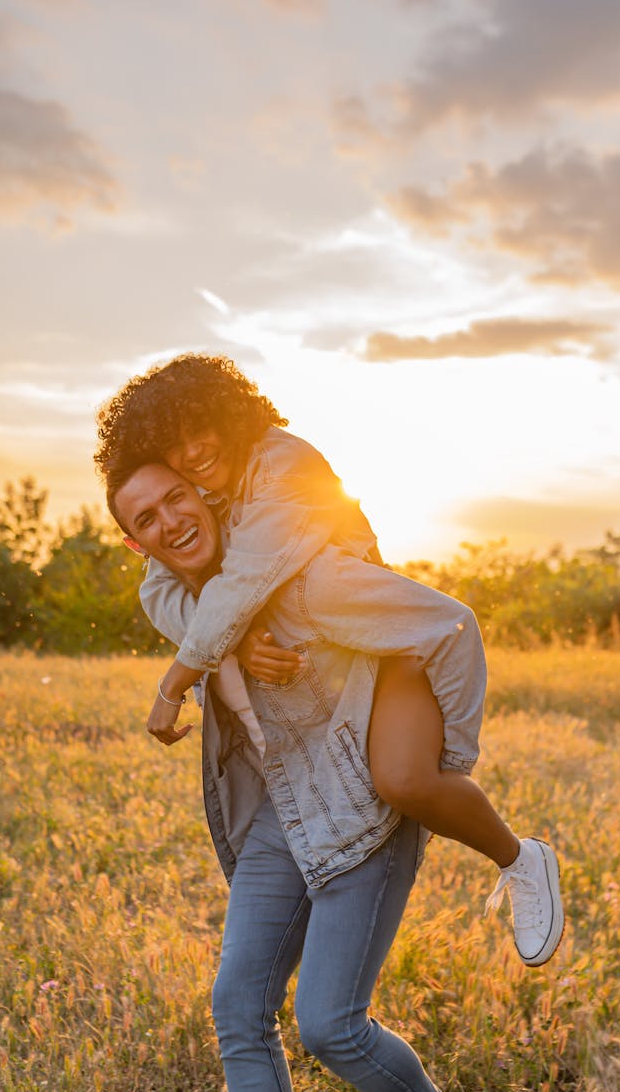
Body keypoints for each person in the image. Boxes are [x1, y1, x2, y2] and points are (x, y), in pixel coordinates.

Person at [110, 458, 502, 1092]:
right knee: (237, 1009)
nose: (169, 523)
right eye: (145, 520)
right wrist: (229, 640)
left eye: (176, 499)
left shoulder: (304, 568)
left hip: (356, 803)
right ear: (134, 544)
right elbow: (204, 612)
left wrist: (440, 766)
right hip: (276, 819)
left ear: (207, 492)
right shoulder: (170, 593)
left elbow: (436, 622)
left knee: (329, 1026)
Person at [95, 353, 564, 968]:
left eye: (199, 426)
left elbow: (244, 580)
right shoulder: (204, 492)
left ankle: (521, 860)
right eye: (171, 447)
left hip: (382, 649)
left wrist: (176, 680)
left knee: (405, 781)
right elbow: (160, 585)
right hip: (330, 675)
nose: (191, 452)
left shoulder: (286, 468)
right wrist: (233, 643)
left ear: (228, 412)